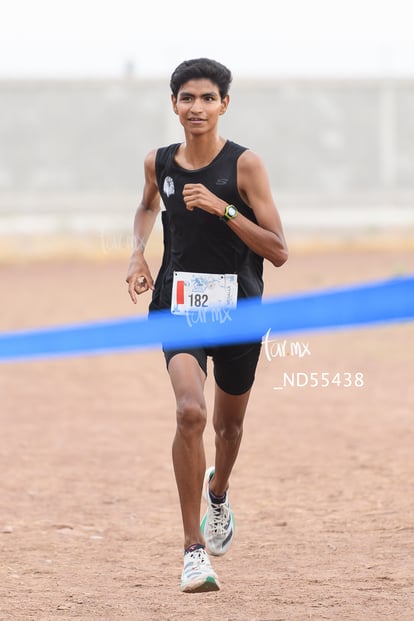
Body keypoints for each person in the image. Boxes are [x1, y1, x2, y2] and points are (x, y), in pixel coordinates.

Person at [126, 58, 288, 593]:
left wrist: (223, 210)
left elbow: (279, 251)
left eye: (208, 98)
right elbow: (147, 208)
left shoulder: (246, 167)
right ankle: (193, 550)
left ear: (224, 104)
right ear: (174, 104)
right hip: (178, 310)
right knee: (190, 412)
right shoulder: (159, 162)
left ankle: (218, 495)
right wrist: (136, 255)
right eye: (187, 98)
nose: (197, 108)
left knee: (228, 428)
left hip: (239, 311)